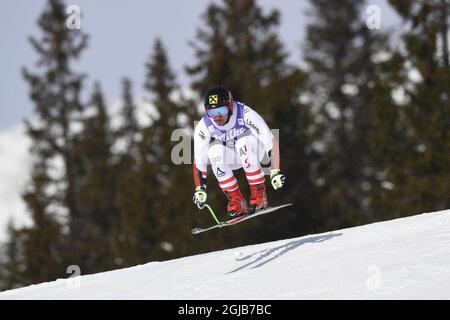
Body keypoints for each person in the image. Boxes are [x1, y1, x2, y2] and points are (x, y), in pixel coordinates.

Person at [192, 86, 286, 219]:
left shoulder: (244, 113)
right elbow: (199, 159)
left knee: (244, 142)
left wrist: (275, 171)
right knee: (214, 151)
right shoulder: (204, 125)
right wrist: (200, 189)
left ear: (230, 107)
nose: (218, 117)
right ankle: (237, 202)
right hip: (234, 156)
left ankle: (259, 194)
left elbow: (269, 141)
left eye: (221, 110)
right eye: (212, 112)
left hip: (253, 151)